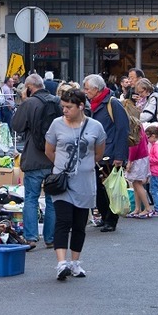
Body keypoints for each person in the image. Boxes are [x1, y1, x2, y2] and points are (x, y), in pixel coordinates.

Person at [44, 89, 106, 280]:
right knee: (63, 220)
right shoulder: (56, 125)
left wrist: (84, 165)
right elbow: (49, 151)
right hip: (62, 182)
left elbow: (98, 153)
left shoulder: (95, 126)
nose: (65, 110)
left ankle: (75, 263)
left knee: (80, 224)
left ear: (81, 106)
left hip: (85, 181)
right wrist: (63, 168)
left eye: (69, 107)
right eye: (63, 107)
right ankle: (61, 263)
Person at [11, 73, 58, 248]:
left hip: (34, 157)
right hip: (53, 158)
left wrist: (23, 100)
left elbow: (16, 125)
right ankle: (51, 238)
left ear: (29, 88)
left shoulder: (30, 103)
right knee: (52, 200)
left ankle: (31, 238)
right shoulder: (56, 101)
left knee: (31, 198)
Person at [82, 74, 129, 232]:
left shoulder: (112, 103)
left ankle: (111, 219)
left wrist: (120, 156)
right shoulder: (93, 104)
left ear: (96, 89)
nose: (85, 92)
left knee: (110, 188)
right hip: (96, 153)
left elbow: (122, 130)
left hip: (110, 153)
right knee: (98, 188)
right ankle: (104, 216)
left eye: (87, 89)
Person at [124, 125, 152, 218]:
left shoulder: (132, 130)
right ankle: (137, 208)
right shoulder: (140, 127)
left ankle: (148, 208)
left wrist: (130, 161)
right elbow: (146, 141)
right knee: (137, 183)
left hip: (137, 159)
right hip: (143, 157)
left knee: (137, 184)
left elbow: (133, 147)